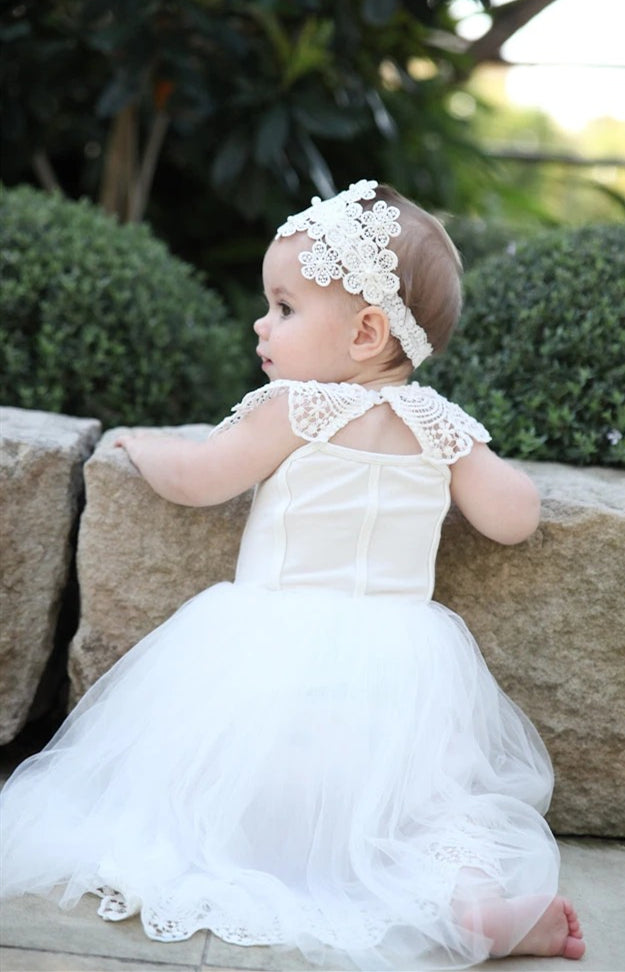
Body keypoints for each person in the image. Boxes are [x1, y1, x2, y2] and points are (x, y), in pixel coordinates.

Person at [0, 179, 585, 970]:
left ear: (367, 331)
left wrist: (144, 446)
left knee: (194, 800)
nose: (261, 323)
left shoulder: (298, 406)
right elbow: (513, 518)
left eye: (283, 307)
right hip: (402, 671)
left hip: (269, 655)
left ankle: (288, 858)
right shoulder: (438, 425)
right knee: (436, 804)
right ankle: (475, 903)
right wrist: (476, 460)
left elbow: (206, 475)